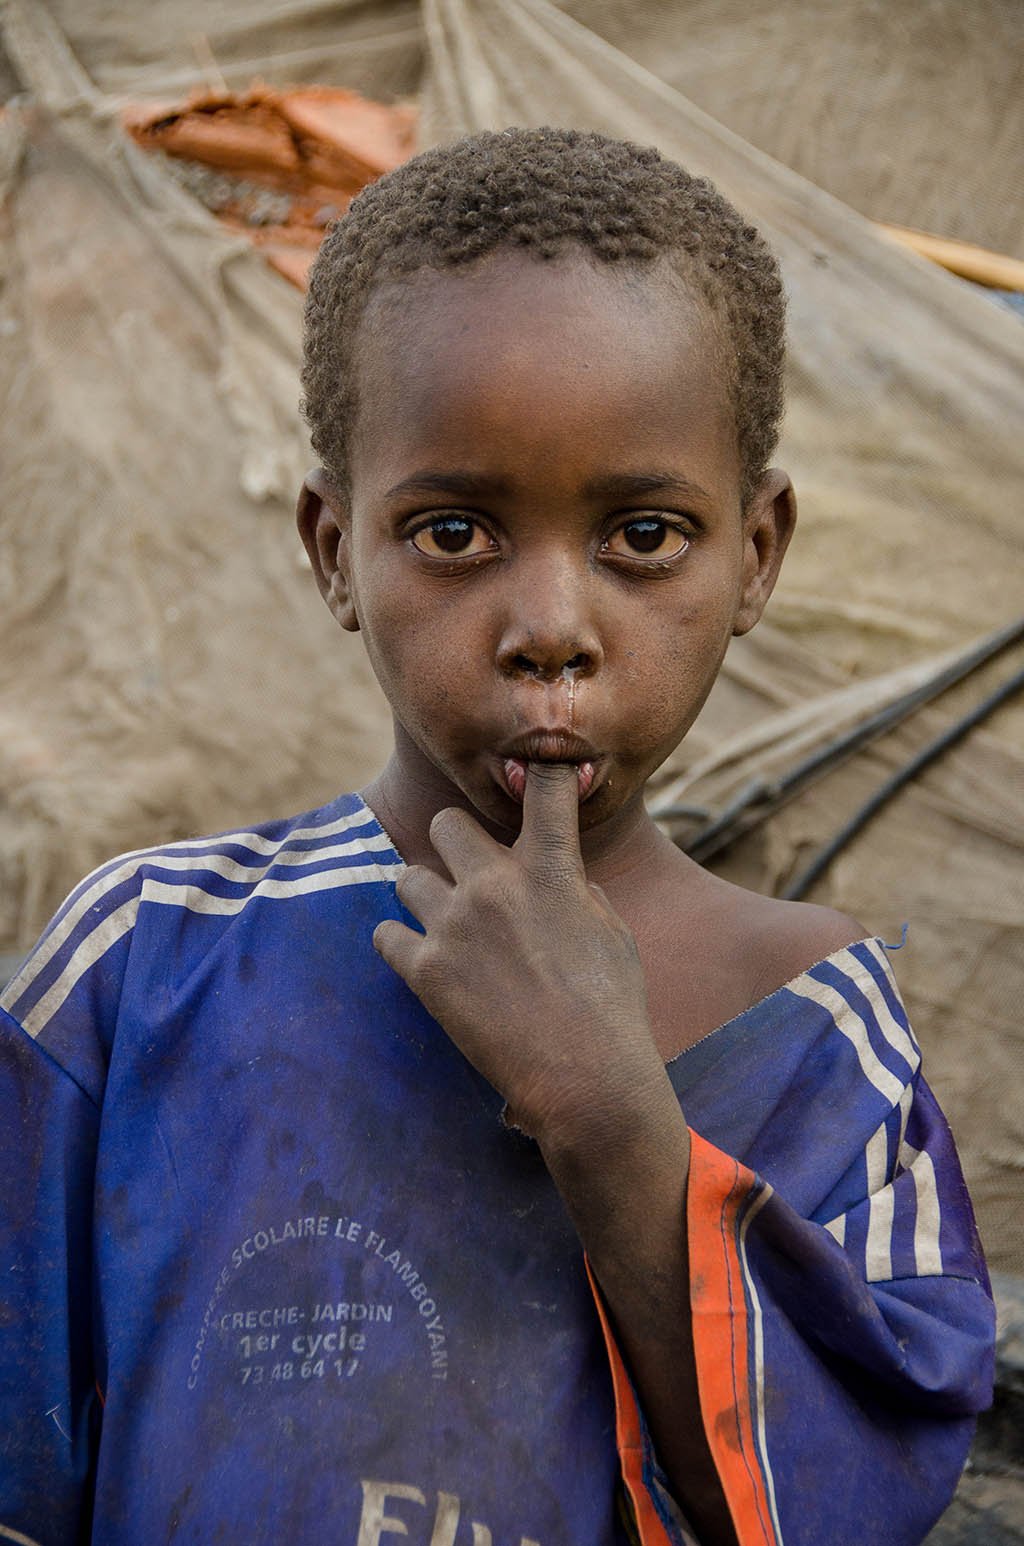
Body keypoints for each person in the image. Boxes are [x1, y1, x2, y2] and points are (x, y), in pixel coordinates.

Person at [0, 128, 994, 1546]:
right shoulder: (146, 965)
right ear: (334, 549)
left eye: (644, 534)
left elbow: (856, 1486)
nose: (550, 629)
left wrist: (611, 1118)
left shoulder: (822, 1037)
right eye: (456, 532)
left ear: (757, 553)